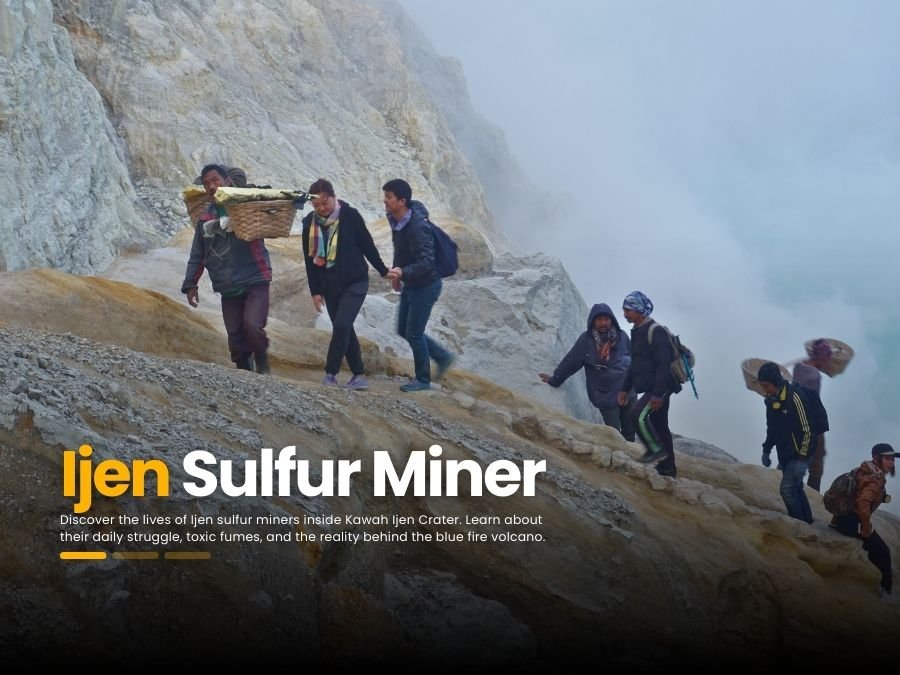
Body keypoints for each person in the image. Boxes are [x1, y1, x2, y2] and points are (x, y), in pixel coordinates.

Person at [181, 164, 273, 374]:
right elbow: (198, 254)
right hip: (228, 285)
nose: (212, 186)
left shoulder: (247, 208)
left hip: (254, 278)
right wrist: (190, 284)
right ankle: (245, 376)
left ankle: (262, 362)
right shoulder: (205, 218)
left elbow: (268, 214)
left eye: (216, 181)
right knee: (235, 339)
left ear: (227, 182)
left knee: (252, 326)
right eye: (207, 184)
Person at [301, 179, 389, 389]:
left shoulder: (351, 216)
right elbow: (309, 260)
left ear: (334, 197)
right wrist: (316, 291)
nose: (322, 208)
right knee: (345, 329)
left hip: (355, 282)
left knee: (341, 325)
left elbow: (368, 246)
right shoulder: (309, 224)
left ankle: (330, 374)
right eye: (316, 205)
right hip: (329, 285)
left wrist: (384, 271)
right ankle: (359, 375)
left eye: (325, 203)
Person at [383, 179, 455, 392]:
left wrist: (403, 272)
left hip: (426, 285)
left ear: (402, 200)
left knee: (414, 332)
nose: (385, 201)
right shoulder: (396, 219)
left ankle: (423, 379)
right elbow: (401, 249)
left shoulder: (417, 226)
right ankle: (443, 357)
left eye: (389, 197)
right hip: (412, 283)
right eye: (385, 196)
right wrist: (398, 272)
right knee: (403, 329)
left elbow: (427, 261)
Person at [539, 303, 635, 441]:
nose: (603, 323)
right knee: (615, 435)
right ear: (592, 322)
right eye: (599, 319)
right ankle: (619, 458)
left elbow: (635, 360)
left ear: (612, 320)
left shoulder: (622, 336)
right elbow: (571, 362)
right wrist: (555, 379)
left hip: (628, 392)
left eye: (606, 319)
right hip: (606, 396)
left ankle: (630, 460)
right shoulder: (586, 341)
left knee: (630, 429)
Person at [616, 291, 680, 477]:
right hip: (653, 387)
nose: (625, 314)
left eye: (628, 310)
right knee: (659, 424)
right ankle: (669, 467)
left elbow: (663, 364)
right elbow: (635, 364)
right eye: (624, 310)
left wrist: (658, 394)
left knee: (637, 415)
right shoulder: (637, 331)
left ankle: (655, 450)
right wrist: (625, 388)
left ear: (639, 310)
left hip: (660, 387)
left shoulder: (655, 331)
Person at [757, 361, 827, 524]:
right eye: (762, 385)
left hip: (802, 452)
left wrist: (803, 459)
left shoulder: (795, 397)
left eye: (766, 385)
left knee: (787, 490)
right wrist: (766, 449)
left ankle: (799, 525)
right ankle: (807, 521)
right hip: (786, 452)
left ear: (775, 382)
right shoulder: (771, 401)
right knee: (796, 487)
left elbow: (808, 430)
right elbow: (772, 428)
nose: (764, 389)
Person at [830, 443, 897, 601]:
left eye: (893, 459)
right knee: (883, 551)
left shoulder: (862, 469)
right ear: (876, 458)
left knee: (875, 548)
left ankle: (882, 582)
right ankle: (887, 591)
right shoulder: (875, 478)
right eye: (888, 458)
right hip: (852, 522)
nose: (892, 463)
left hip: (841, 519)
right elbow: (862, 503)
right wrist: (866, 528)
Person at [791, 338, 833, 491]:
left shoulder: (798, 367)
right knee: (816, 465)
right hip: (811, 422)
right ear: (822, 357)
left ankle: (779, 483)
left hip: (794, 417)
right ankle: (811, 496)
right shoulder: (815, 376)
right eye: (828, 357)